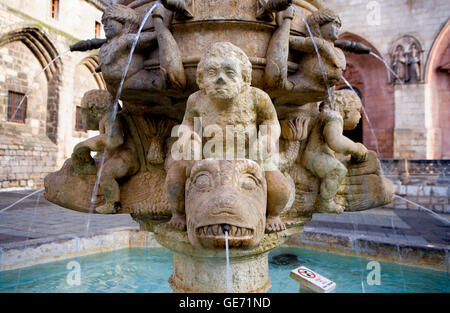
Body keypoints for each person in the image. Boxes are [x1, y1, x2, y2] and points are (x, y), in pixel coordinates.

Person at [166, 42, 292, 232]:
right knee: (175, 176)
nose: (220, 79)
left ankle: (272, 214)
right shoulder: (197, 99)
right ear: (201, 79)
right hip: (208, 158)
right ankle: (179, 213)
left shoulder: (257, 97)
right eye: (212, 73)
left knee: (278, 186)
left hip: (249, 157)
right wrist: (188, 137)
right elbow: (188, 123)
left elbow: (270, 122)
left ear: (244, 79)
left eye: (229, 73)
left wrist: (266, 137)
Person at [72, 90, 139, 214]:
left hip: (127, 158)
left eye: (83, 112)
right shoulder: (107, 117)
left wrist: (85, 144)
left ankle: (113, 204)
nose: (82, 117)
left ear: (92, 109)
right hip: (119, 157)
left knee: (105, 174)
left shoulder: (110, 117)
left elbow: (115, 138)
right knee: (102, 171)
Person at [301, 90, 368, 213]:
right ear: (347, 110)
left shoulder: (329, 115)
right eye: (358, 110)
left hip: (317, 154)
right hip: (313, 156)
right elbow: (335, 141)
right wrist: (356, 148)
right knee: (337, 170)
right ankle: (325, 202)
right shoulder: (333, 117)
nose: (360, 116)